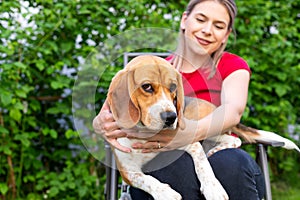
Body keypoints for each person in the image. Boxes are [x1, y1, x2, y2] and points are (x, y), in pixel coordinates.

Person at [93, 0, 266, 199]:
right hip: (164, 160)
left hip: (224, 156)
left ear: (226, 34)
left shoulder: (232, 65)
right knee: (168, 167)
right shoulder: (154, 69)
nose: (207, 30)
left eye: (218, 26)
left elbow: (233, 110)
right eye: (201, 19)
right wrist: (100, 123)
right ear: (185, 20)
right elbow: (116, 108)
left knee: (229, 165)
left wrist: (188, 133)